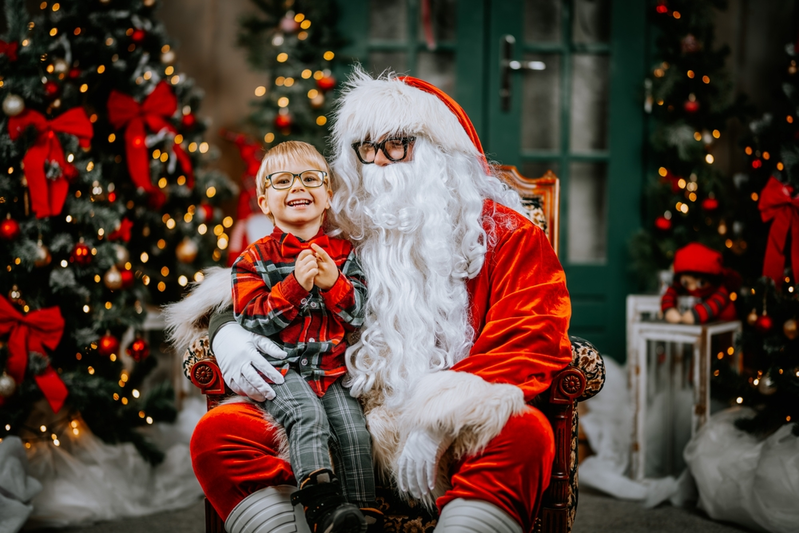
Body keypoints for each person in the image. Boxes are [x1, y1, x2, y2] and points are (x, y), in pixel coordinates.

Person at [167, 68, 572, 533]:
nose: (380, 163)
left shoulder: (505, 235)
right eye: (366, 147)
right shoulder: (341, 222)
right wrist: (227, 332)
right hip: (337, 415)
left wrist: (441, 416)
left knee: (526, 436)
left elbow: (533, 334)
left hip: (455, 431)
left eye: (396, 144)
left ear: (440, 153)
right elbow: (256, 274)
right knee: (220, 435)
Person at [230, 141, 375, 533]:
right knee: (307, 416)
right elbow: (251, 319)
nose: (298, 187)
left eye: (311, 179)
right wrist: (293, 286)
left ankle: (362, 516)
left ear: (327, 195)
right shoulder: (253, 260)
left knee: (353, 431)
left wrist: (334, 284)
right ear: (265, 202)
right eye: (283, 181)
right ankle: (322, 506)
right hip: (283, 370)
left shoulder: (345, 255)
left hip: (332, 369)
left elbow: (359, 314)